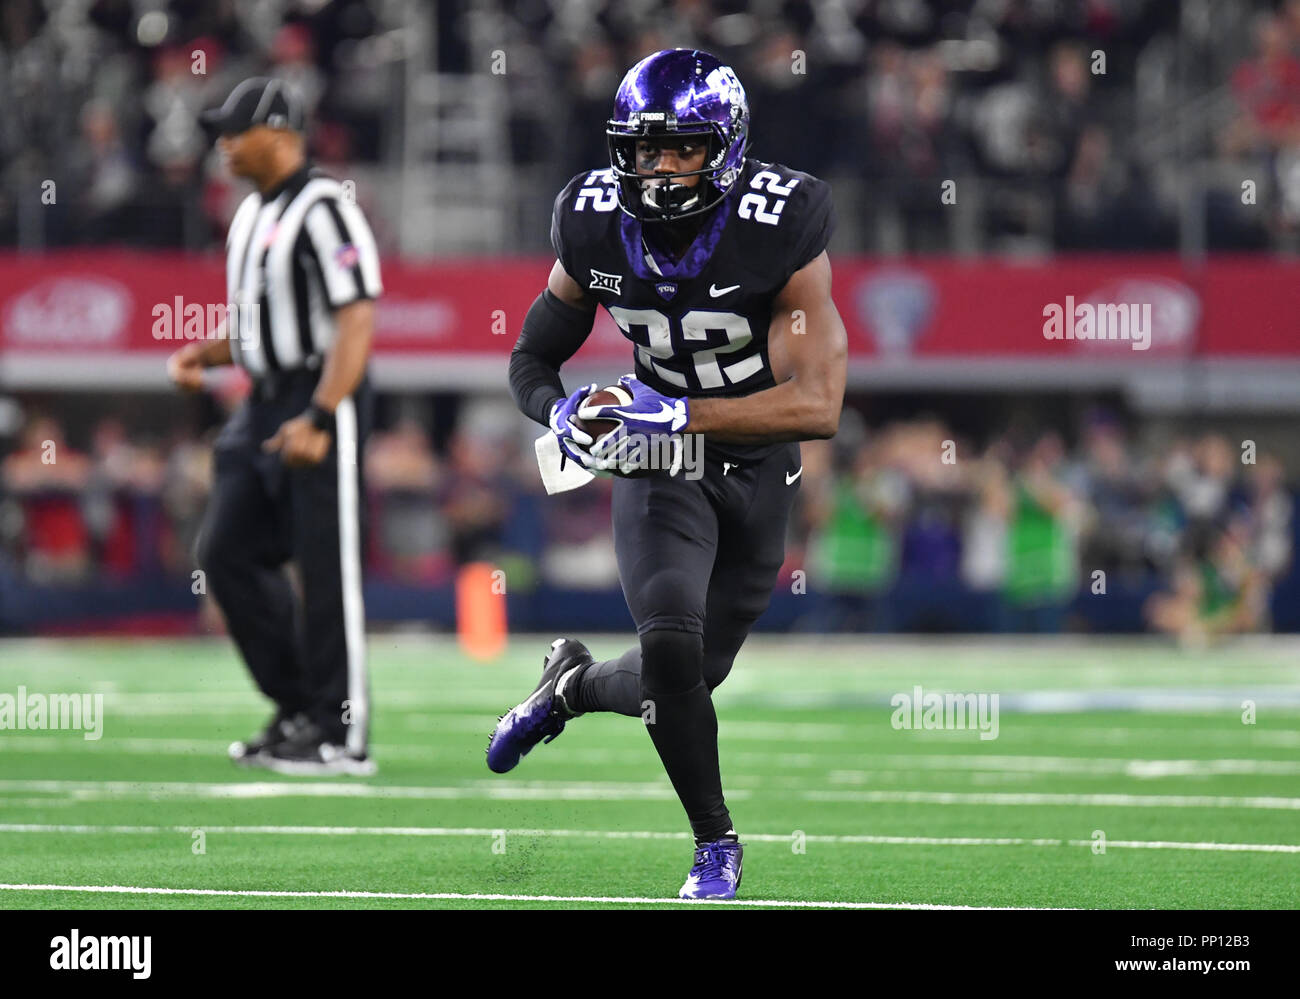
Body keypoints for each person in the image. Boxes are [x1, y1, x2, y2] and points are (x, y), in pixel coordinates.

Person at [493, 49, 846, 899]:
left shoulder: (780, 219)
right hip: (659, 463)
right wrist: (561, 412)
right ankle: (714, 841)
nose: (656, 167)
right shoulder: (592, 218)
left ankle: (569, 685)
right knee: (670, 644)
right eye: (642, 148)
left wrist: (680, 410)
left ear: (723, 147)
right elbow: (532, 355)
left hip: (756, 460)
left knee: (683, 677)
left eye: (679, 148)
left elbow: (818, 402)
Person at [167, 77, 382, 775]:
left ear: (283, 132)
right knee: (226, 551)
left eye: (237, 129)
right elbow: (264, 322)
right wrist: (213, 349)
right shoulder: (251, 214)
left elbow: (355, 316)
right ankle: (297, 705)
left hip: (319, 393)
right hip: (260, 400)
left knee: (326, 569)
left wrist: (321, 413)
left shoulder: (326, 208)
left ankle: (341, 731)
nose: (224, 144)